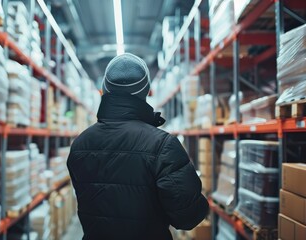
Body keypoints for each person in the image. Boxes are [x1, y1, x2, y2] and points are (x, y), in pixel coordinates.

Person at [67, 53, 209, 240]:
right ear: (146, 91)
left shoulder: (80, 145)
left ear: (105, 89)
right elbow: (189, 217)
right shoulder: (162, 146)